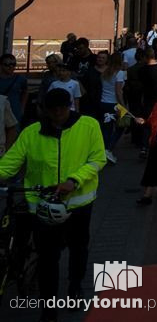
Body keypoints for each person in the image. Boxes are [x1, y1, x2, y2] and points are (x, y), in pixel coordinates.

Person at [0, 88, 105, 310]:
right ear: (45, 110)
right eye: (53, 110)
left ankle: (75, 286)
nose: (58, 113)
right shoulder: (31, 132)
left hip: (78, 203)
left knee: (78, 248)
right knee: (48, 258)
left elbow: (97, 159)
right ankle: (49, 308)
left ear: (70, 106)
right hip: (43, 207)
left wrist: (74, 181)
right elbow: (9, 164)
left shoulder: (88, 126)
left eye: (62, 108)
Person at [92, 51, 126, 163]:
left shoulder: (105, 72)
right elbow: (118, 91)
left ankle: (105, 149)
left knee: (106, 128)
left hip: (103, 102)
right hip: (115, 104)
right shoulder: (119, 73)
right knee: (121, 126)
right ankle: (108, 149)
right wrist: (123, 106)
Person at [0, 53, 28, 123]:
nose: (11, 67)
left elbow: (25, 92)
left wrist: (22, 108)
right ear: (1, 65)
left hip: (15, 111)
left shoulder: (20, 79)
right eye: (7, 64)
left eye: (13, 64)